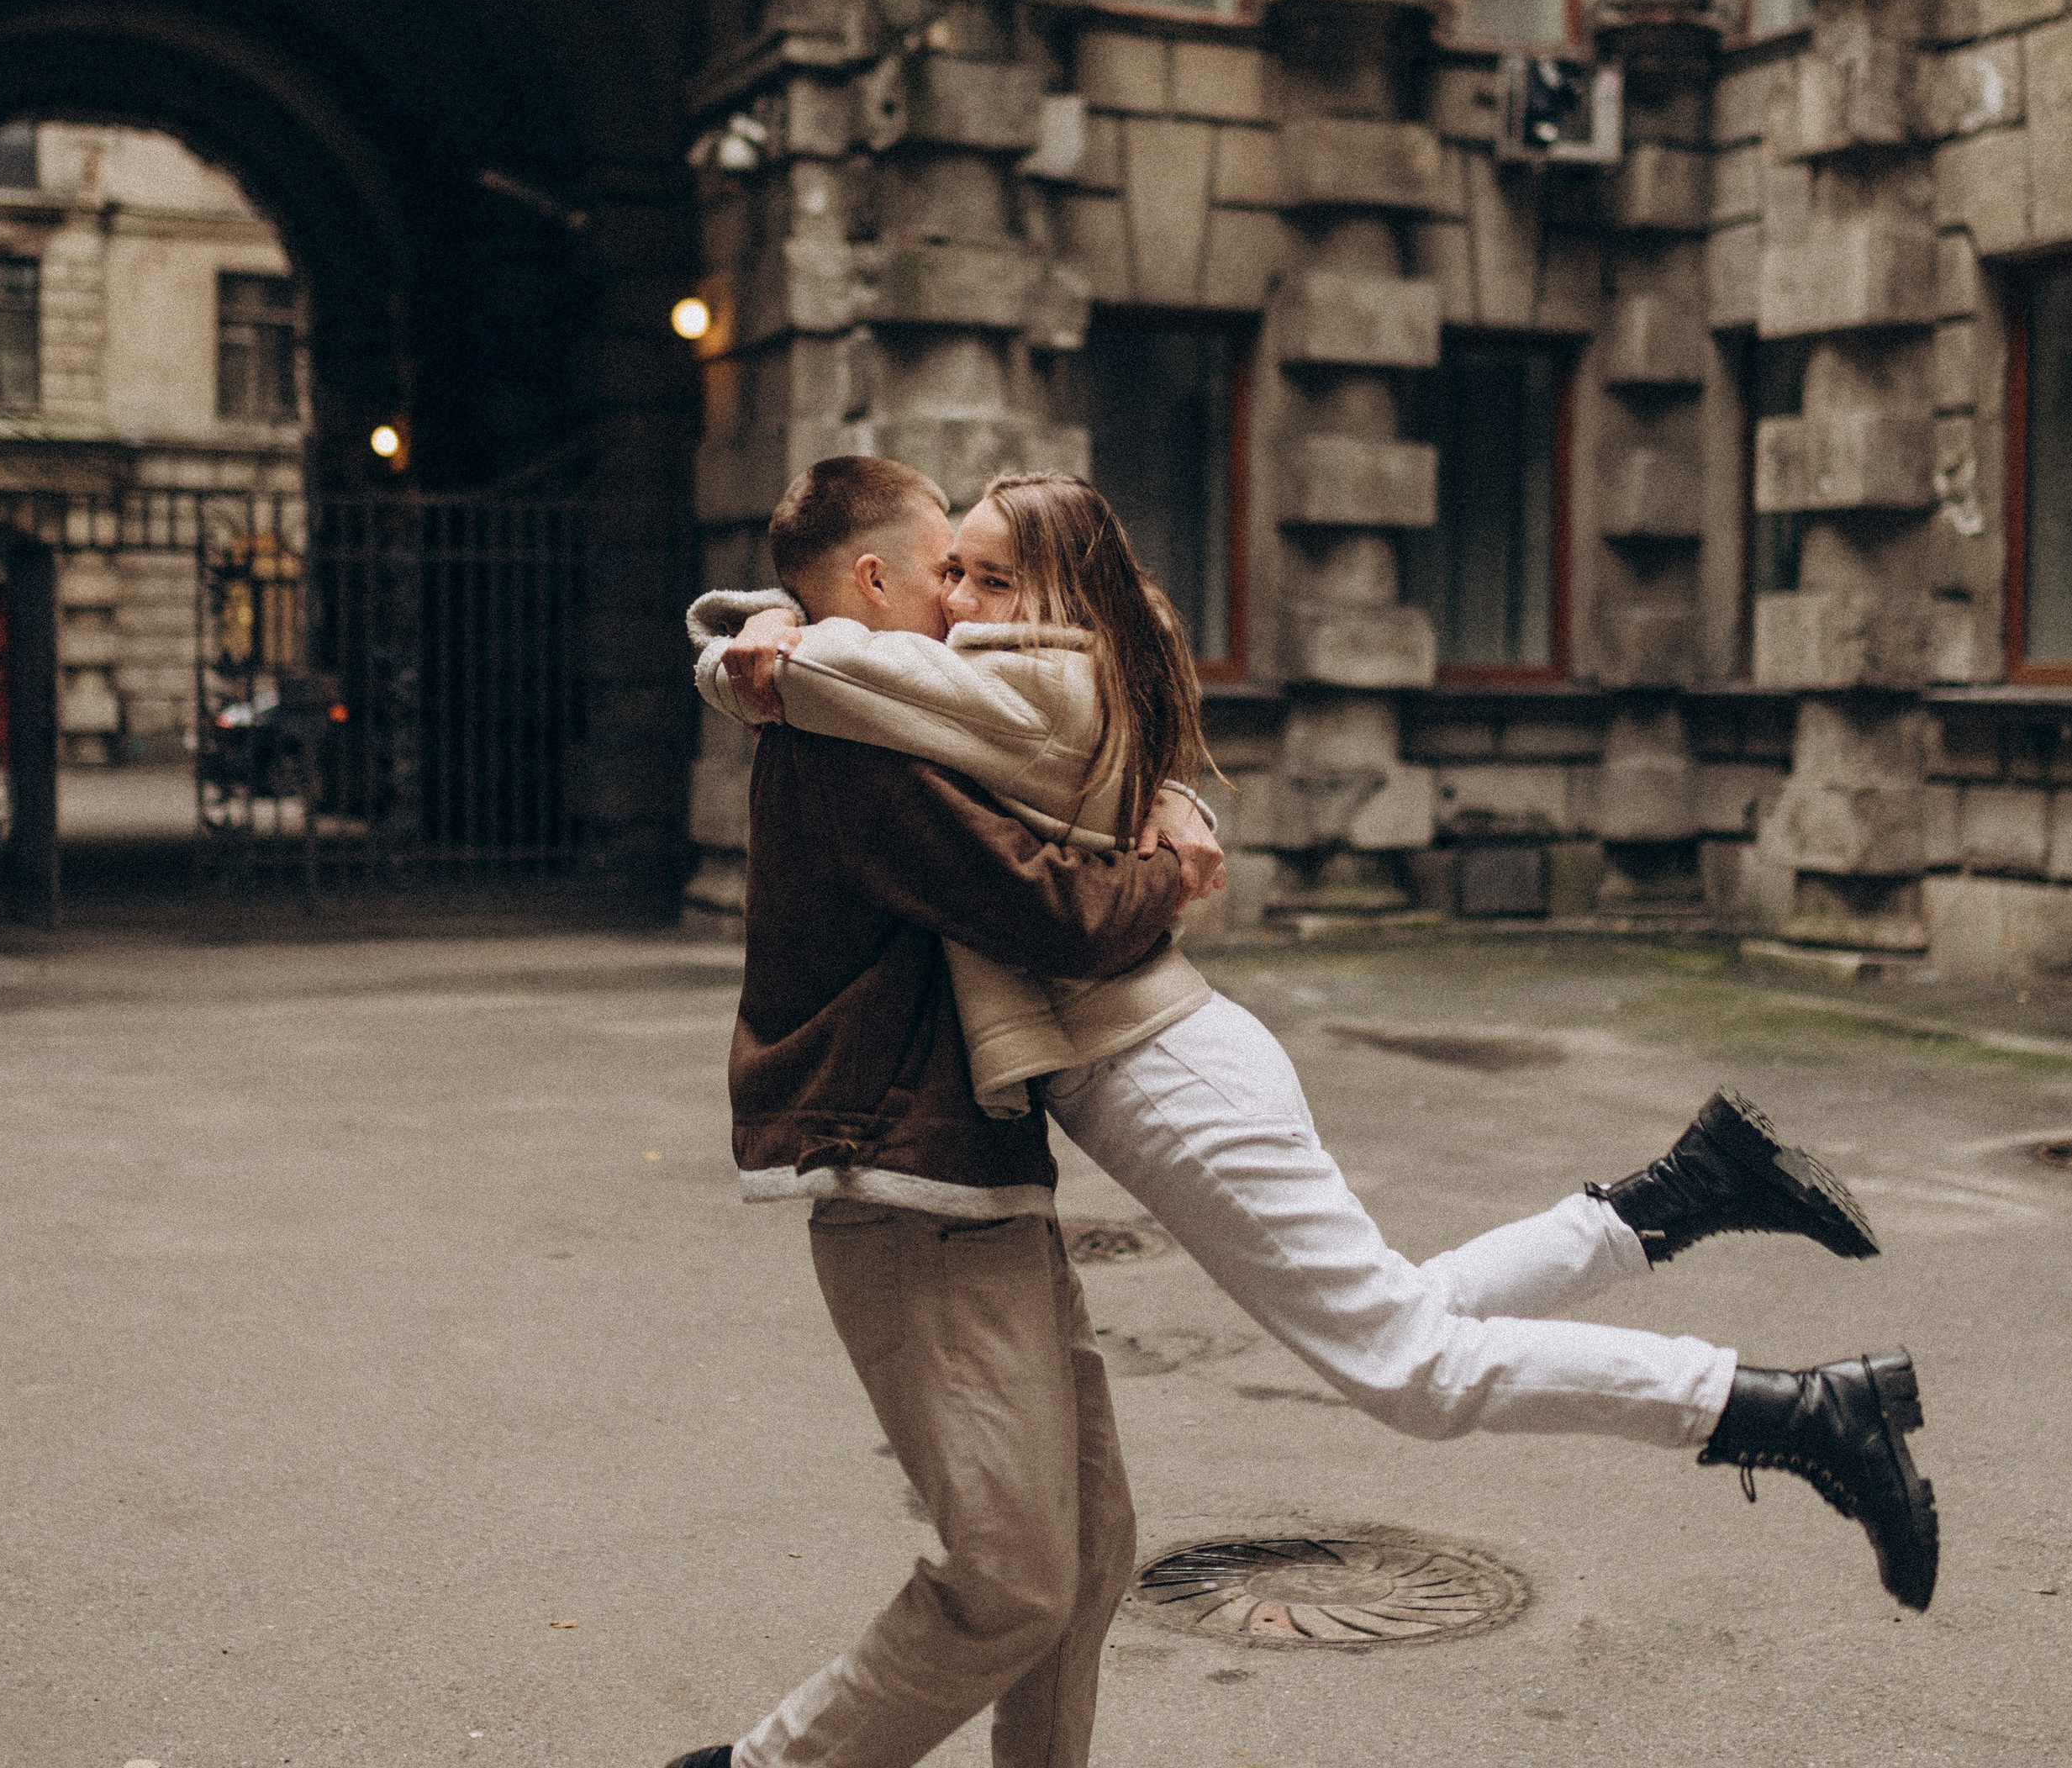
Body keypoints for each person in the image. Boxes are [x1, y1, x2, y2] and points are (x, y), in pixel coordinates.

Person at [693, 462, 1938, 1607]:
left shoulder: (1014, 684)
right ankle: (1678, 1195)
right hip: (1179, 1055)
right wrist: (782, 620)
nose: (958, 600)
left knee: (1412, 1370)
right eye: (952, 571)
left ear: (1057, 598)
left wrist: (760, 647)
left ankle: (1790, 1411)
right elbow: (873, 672)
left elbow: (824, 680)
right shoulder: (1040, 669)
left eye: (988, 577)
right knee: (1404, 1315)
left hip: (1159, 1074)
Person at [661, 457, 1226, 1768]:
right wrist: (1169, 874)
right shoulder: (852, 744)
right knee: (1013, 1572)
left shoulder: (888, 704)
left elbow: (1063, 775)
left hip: (974, 1176)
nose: (974, 610)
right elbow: (1048, 907)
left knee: (1089, 1545)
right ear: (872, 587)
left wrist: (1165, 799)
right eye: (949, 576)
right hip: (900, 1187)